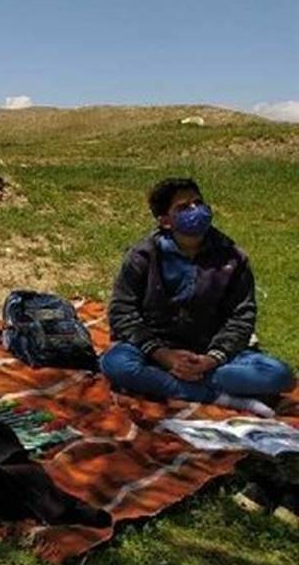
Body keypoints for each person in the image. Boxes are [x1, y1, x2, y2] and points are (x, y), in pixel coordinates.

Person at [101, 178, 294, 416]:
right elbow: (122, 311)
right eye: (183, 207)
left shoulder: (232, 258)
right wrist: (164, 356)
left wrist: (211, 359)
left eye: (198, 203)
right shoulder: (143, 257)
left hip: (209, 352)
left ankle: (174, 382)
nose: (195, 210)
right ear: (165, 221)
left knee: (279, 375)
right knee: (116, 365)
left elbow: (241, 317)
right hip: (154, 351)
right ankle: (218, 396)